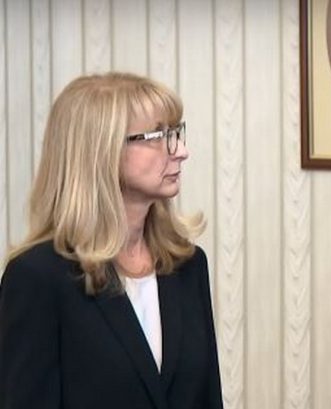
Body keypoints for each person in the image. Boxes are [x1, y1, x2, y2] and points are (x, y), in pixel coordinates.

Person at [0, 73, 223, 409]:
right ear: (101, 151)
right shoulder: (37, 278)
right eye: (158, 136)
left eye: (176, 133)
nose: (181, 151)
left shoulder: (188, 264)